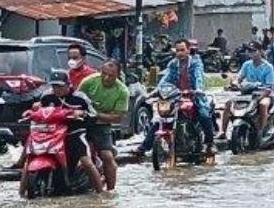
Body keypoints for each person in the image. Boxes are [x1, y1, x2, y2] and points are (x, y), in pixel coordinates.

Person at [20, 70, 104, 196]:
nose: (56, 89)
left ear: (68, 84)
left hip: (74, 133)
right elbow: (40, 109)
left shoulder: (79, 97)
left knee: (86, 162)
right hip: (51, 134)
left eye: (59, 86)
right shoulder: (47, 96)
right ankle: (21, 193)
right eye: (54, 86)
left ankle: (101, 194)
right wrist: (30, 112)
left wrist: (81, 113)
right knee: (28, 159)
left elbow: (93, 114)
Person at [136, 38, 216, 157]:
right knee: (161, 120)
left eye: (182, 50)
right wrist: (156, 91)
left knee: (204, 115)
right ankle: (144, 147)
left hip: (195, 97)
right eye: (178, 50)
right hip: (176, 97)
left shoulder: (196, 62)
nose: (180, 53)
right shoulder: (173, 64)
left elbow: (198, 76)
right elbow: (166, 79)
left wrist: (198, 90)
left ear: (188, 50)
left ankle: (209, 144)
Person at [78, 60, 128, 191]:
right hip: (80, 121)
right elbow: (76, 99)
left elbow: (118, 117)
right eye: (104, 74)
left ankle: (110, 190)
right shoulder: (89, 81)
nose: (106, 78)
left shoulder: (122, 91)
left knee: (107, 156)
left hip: (101, 124)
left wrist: (97, 115)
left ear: (118, 75)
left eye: (111, 76)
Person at [218, 42, 274, 139]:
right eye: (249, 51)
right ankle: (223, 132)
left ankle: (261, 131)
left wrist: (261, 95)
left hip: (263, 94)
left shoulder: (268, 67)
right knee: (228, 103)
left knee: (263, 105)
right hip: (247, 94)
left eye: (254, 51)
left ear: (260, 51)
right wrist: (235, 83)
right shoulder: (246, 65)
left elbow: (269, 87)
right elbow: (239, 78)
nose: (251, 53)